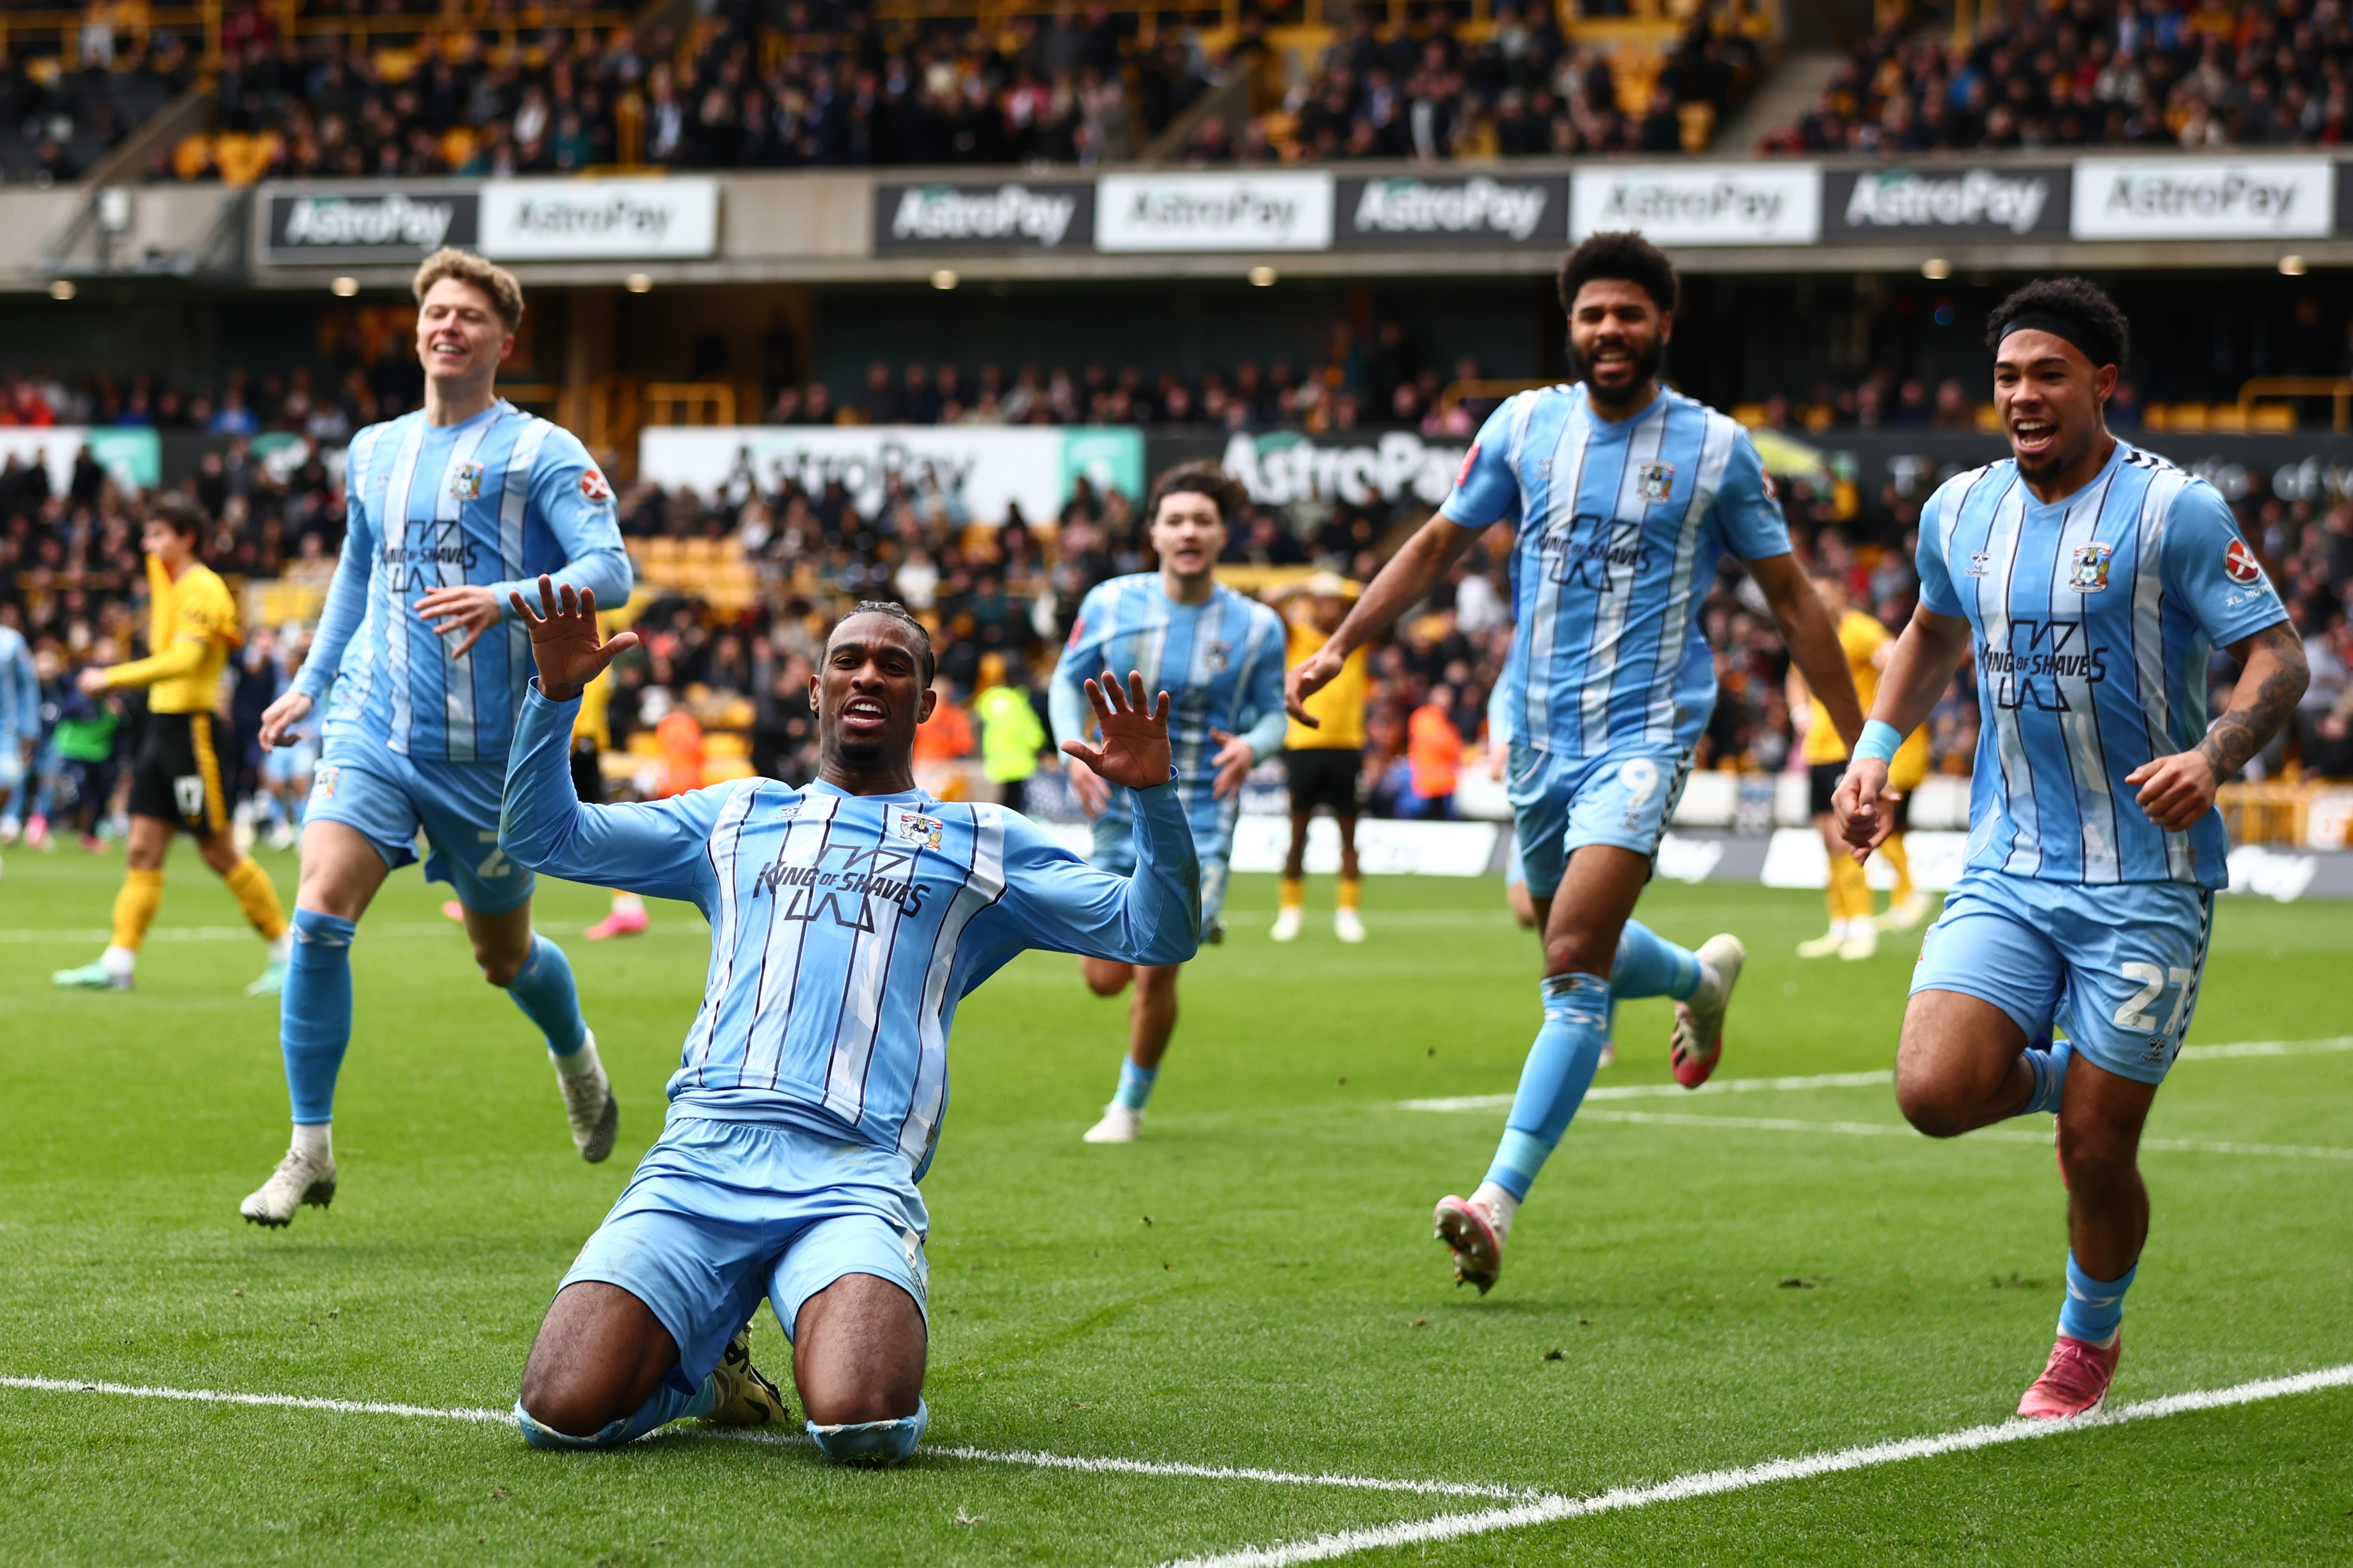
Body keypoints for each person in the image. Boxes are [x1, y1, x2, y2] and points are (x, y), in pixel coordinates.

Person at [1287, 232, 1866, 1294]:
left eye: (1629, 313)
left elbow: (1791, 599)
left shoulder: (1715, 450)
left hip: (1645, 732)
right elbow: (1434, 545)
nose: (1610, 330)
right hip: (1537, 728)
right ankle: (1698, 976)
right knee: (1548, 920)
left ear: (1664, 324)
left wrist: (1864, 741)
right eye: (1593, 313)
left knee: (1569, 960)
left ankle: (1496, 1198)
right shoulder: (1522, 425)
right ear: (1571, 325)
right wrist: (1341, 642)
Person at [501, 584, 1198, 1464]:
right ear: (815, 688)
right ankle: (710, 1365)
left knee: (861, 1424)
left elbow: (1158, 930)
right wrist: (553, 699)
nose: (868, 674)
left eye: (894, 665)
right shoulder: (737, 815)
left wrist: (1154, 801)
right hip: (700, 1160)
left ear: (925, 704)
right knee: (556, 1414)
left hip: (851, 1176)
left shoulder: (982, 842)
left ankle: (824, 1299)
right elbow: (540, 838)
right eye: (848, 660)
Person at [1834, 278, 2306, 1419]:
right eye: (2007, 377)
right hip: (2011, 862)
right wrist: (1876, 748)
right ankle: (2070, 1071)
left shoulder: (2173, 510)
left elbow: (2280, 658)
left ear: (2102, 384)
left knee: (2098, 1150)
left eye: (2048, 374)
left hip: (2146, 876)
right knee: (1932, 1090)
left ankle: (2084, 1340)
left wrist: (2216, 753)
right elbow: (1932, 631)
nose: (2024, 396)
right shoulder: (1960, 509)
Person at [244, 247, 632, 1228]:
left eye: (467, 315)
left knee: (504, 957)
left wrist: (503, 600)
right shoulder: (373, 450)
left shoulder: (539, 451)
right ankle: (308, 1148)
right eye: (434, 312)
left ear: (504, 339)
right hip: (376, 729)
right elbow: (354, 574)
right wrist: (310, 683)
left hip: (492, 758)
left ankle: (574, 1053)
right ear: (416, 329)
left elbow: (610, 569)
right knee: (321, 910)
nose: (446, 326)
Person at [1053, 461, 1287, 1145]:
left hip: (1200, 815)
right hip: (1117, 807)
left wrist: (1253, 746)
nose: (1190, 531)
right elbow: (1067, 682)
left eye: (1203, 521)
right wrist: (1074, 755)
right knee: (1103, 977)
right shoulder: (1109, 602)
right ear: (1154, 530)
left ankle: (1127, 1105)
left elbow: (1273, 713)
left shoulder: (1256, 625)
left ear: (1223, 534)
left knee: (1158, 963)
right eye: (1177, 519)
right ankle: (1172, 931)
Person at [50, 496, 292, 996]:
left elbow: (182, 659)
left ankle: (288, 956)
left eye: (157, 535)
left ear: (186, 537)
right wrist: (155, 558)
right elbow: (165, 623)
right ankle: (119, 963)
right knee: (141, 848)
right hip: (160, 732)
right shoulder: (173, 584)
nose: (147, 545)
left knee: (219, 850)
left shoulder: (203, 588)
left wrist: (109, 677)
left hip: (193, 733)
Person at [1788, 566, 1910, 960]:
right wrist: (1797, 711)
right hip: (1816, 749)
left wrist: (1877, 714)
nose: (1822, 606)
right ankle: (1839, 925)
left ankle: (1862, 925)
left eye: (1827, 599)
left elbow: (1892, 659)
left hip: (1848, 747)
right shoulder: (1811, 633)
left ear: (1841, 598)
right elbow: (1795, 676)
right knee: (1828, 840)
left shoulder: (1861, 630)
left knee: (1848, 840)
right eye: (1816, 600)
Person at [1269, 572, 1368, 944]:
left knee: (1349, 835)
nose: (1329, 607)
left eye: (1335, 601)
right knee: (1297, 834)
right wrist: (1305, 585)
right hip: (1303, 747)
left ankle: (1348, 913)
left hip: (1347, 746)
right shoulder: (1298, 635)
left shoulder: (1356, 637)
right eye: (1322, 600)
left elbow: (1382, 602)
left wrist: (1344, 586)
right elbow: (1269, 600)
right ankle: (1290, 912)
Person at [971, 651, 1048, 811]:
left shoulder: (989, 699)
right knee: (1017, 808)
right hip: (1021, 764)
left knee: (999, 806)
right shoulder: (1018, 701)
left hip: (996, 764)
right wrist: (1039, 746)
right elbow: (1033, 735)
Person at [0, 615, 35, 856]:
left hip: (7, 730)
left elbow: (28, 686)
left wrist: (29, 729)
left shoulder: (11, 642)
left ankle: (9, 819)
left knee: (9, 778)